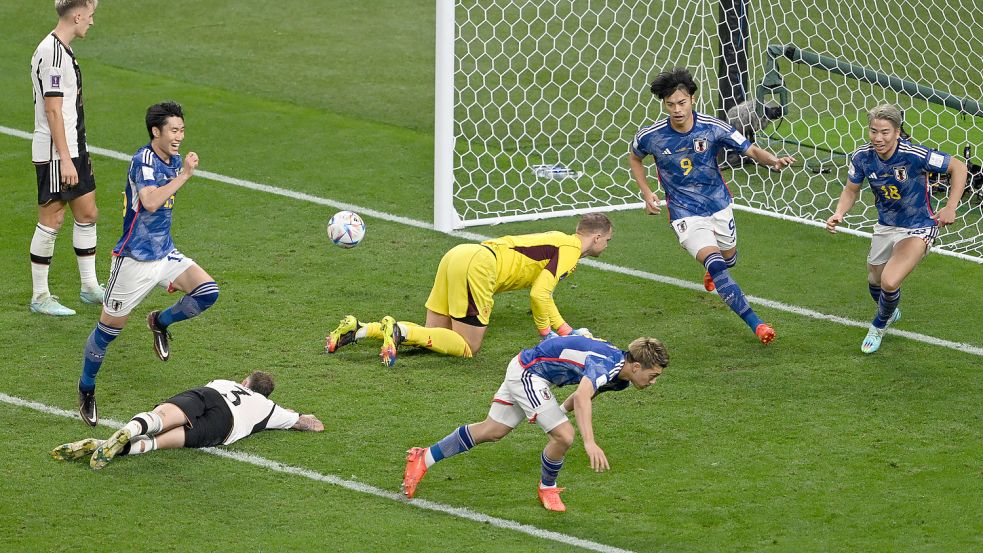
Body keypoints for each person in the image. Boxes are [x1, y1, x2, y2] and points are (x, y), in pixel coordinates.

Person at [400, 335, 669, 512]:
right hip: (529, 373)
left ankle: (424, 457)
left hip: (527, 369)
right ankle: (547, 488)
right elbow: (585, 396)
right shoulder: (606, 365)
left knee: (492, 431)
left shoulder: (621, 378)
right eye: (653, 375)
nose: (654, 381)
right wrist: (589, 442)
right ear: (636, 367)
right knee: (564, 436)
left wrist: (558, 410)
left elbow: (581, 395)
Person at [76, 101, 220, 426]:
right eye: (173, 130)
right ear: (156, 131)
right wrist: (185, 175)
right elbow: (151, 202)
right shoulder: (143, 160)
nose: (179, 136)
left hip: (165, 253)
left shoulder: (174, 159)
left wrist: (181, 170)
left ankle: (160, 322)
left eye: (182, 130)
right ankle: (86, 388)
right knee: (107, 332)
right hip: (133, 261)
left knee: (207, 292)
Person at [628, 67, 796, 345]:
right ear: (664, 104)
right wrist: (647, 193)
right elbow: (635, 157)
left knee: (730, 258)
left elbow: (750, 149)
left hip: (719, 206)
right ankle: (757, 324)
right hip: (684, 213)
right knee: (719, 266)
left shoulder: (713, 127)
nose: (677, 110)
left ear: (692, 99)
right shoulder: (652, 136)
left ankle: (714, 270)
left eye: (681, 103)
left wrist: (773, 160)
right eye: (670, 104)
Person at [325, 213, 613, 367]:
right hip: (480, 266)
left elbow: (541, 292)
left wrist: (559, 329)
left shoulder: (559, 238)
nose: (607, 246)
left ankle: (362, 328)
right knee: (468, 347)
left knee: (437, 339)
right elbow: (540, 293)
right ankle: (398, 330)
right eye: (608, 241)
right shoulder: (572, 250)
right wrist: (553, 333)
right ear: (597, 237)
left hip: (459, 254)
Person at [825, 104, 966, 354]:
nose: (878, 138)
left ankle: (878, 325)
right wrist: (839, 212)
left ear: (897, 132)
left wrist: (951, 206)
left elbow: (959, 167)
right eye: (873, 131)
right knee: (875, 281)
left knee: (890, 282)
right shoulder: (862, 157)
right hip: (886, 226)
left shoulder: (914, 154)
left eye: (885, 132)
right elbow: (850, 189)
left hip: (919, 226)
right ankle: (890, 312)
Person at [50, 371, 324, 470]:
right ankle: (118, 446)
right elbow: (308, 423)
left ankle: (129, 429)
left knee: (161, 418)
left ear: (245, 382)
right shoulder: (270, 408)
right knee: (161, 442)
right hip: (225, 424)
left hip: (209, 394)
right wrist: (306, 418)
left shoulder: (224, 381)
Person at [29, 0, 103, 316]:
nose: (92, 22)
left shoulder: (61, 49)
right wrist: (66, 159)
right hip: (56, 152)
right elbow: (53, 109)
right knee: (53, 218)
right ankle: (40, 296)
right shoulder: (54, 54)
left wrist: (76, 153)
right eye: (91, 15)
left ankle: (88, 287)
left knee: (87, 212)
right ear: (76, 16)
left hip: (74, 147)